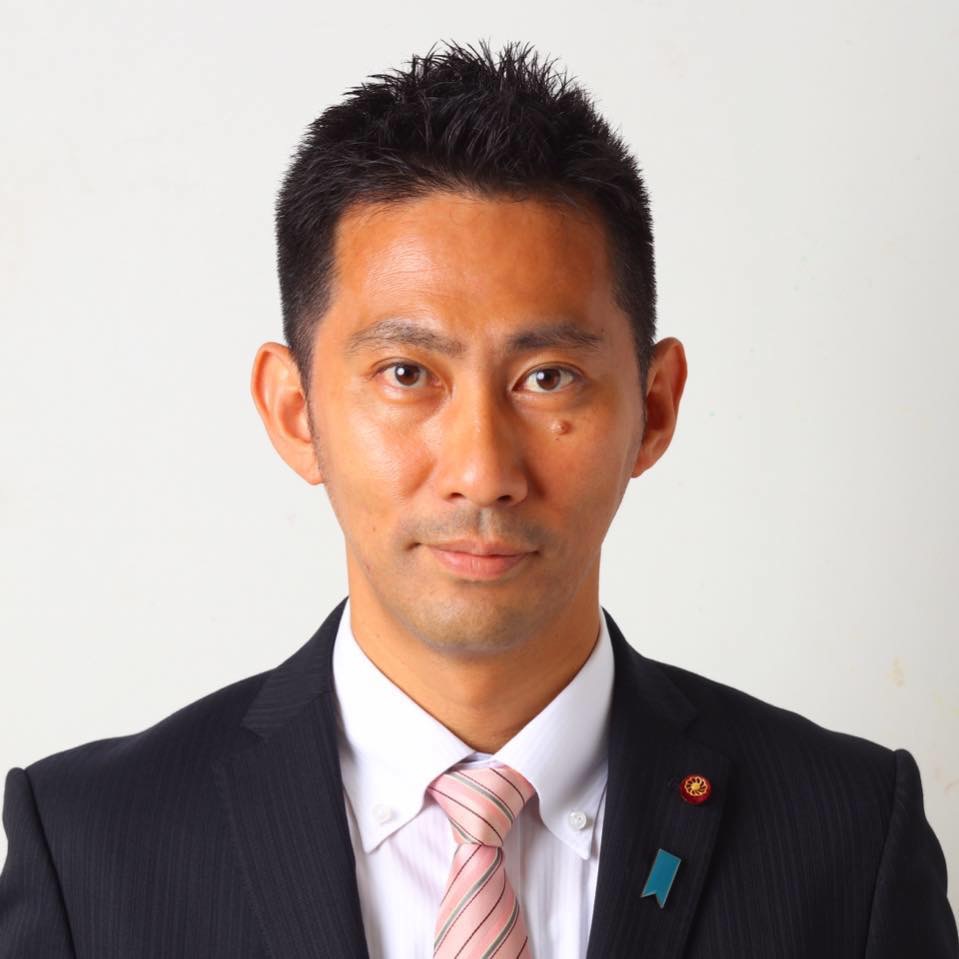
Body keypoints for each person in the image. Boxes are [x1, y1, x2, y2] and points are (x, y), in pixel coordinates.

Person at [0, 38, 955, 959]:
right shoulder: (93, 847)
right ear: (295, 412)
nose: (482, 468)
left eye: (548, 378)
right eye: (406, 372)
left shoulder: (847, 835)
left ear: (654, 407)